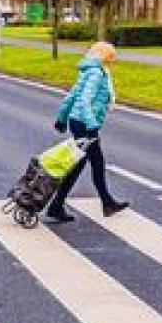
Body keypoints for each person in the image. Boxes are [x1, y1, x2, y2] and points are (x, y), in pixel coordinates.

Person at [44, 41, 126, 225]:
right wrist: (91, 125)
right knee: (94, 163)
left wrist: (62, 118)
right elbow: (84, 100)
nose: (112, 61)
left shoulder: (87, 70)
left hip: (78, 121)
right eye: (111, 57)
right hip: (84, 123)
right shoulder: (97, 74)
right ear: (104, 56)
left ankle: (58, 206)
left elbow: (72, 96)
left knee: (80, 164)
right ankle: (106, 203)